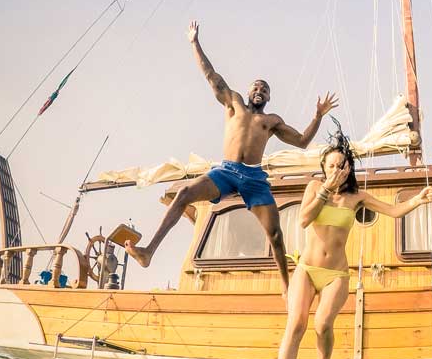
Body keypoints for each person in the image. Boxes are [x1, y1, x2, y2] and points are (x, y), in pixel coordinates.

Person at [125, 20, 338, 295]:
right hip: (226, 171)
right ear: (249, 92)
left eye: (264, 89)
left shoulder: (271, 121)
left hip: (254, 177)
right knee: (184, 194)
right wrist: (195, 43)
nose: (259, 91)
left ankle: (286, 287)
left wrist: (317, 116)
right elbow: (211, 75)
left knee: (275, 234)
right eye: (256, 88)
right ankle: (148, 252)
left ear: (269, 96)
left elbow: (303, 141)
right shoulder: (234, 102)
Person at [266, 128, 432, 359]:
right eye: (330, 165)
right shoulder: (314, 187)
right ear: (323, 169)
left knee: (321, 325)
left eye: (340, 165)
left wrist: (417, 200)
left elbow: (393, 211)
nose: (335, 170)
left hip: (335, 273)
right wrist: (324, 190)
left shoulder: (357, 197)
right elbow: (304, 219)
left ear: (348, 169)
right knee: (295, 325)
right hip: (306, 269)